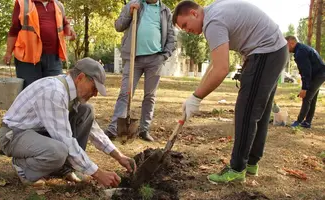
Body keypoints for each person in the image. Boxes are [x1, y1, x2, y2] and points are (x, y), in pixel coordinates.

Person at [172, 0, 288, 184]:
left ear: (194, 13)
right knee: (260, 112)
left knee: (246, 112)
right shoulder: (215, 10)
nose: (188, 31)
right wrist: (195, 95)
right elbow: (216, 65)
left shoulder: (212, 23)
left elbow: (221, 69)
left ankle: (237, 169)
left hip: (265, 52)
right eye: (183, 29)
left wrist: (196, 98)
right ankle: (250, 163)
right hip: (276, 50)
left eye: (186, 25)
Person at [0, 58, 136, 187]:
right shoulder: (54, 92)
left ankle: (64, 168)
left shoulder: (70, 92)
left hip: (39, 132)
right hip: (14, 135)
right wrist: (98, 174)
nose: (95, 94)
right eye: (94, 88)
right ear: (80, 78)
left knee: (86, 111)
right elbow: (65, 141)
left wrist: (119, 156)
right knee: (59, 152)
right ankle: (23, 166)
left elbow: (94, 131)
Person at [105, 0, 176, 142]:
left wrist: (164, 55)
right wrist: (130, 13)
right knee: (125, 93)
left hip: (155, 59)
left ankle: (144, 129)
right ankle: (113, 129)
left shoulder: (165, 11)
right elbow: (119, 26)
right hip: (133, 58)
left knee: (150, 96)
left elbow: (171, 37)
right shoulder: (134, 4)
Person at [3, 0, 76, 88]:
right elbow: (14, 30)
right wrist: (8, 52)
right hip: (28, 60)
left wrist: (70, 30)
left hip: (53, 59)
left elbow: (65, 24)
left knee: (55, 90)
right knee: (30, 93)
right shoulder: (22, 3)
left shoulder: (58, 5)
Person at [285, 36, 325, 129]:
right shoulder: (301, 48)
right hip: (318, 74)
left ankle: (299, 122)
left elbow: (306, 70)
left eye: (285, 45)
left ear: (291, 43)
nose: (284, 48)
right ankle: (307, 122)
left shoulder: (300, 52)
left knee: (307, 97)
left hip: (319, 75)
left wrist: (304, 88)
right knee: (312, 98)